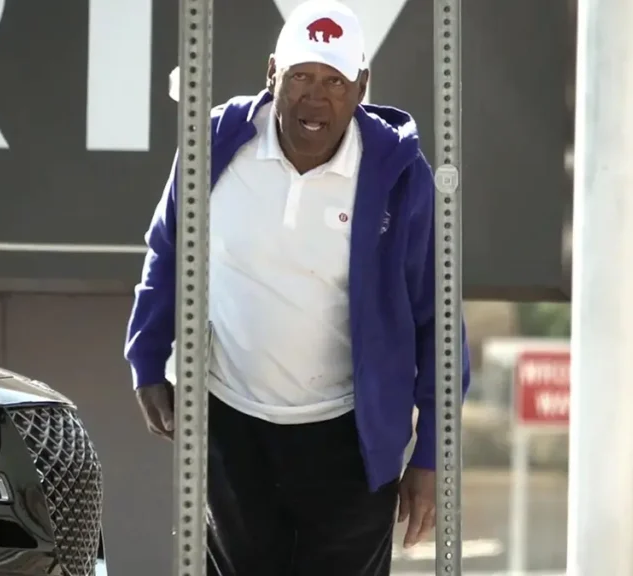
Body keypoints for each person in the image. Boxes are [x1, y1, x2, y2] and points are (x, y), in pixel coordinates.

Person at [124, 1, 470, 574]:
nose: (316, 97)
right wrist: (147, 359)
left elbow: (438, 322)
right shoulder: (216, 142)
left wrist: (432, 454)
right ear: (272, 74)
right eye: (301, 76)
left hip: (352, 441)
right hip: (232, 430)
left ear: (361, 88)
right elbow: (169, 250)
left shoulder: (400, 175)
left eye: (335, 81)